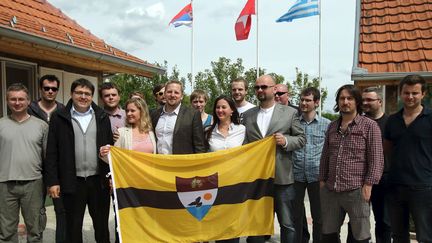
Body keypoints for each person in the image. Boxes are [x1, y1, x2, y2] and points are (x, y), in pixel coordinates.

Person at [45, 78, 113, 243]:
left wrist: (111, 176)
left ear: (92, 96)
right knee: (72, 227)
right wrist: (53, 181)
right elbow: (51, 152)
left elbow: (111, 149)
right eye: (79, 93)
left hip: (98, 181)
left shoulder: (102, 116)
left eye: (87, 94)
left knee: (101, 226)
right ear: (71, 94)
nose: (83, 97)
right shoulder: (59, 117)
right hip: (71, 181)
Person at [243, 74, 306, 243]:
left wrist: (286, 141)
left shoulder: (290, 112)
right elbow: (244, 143)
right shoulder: (248, 115)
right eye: (257, 87)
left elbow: (301, 139)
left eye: (264, 87)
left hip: (282, 178)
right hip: (256, 178)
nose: (260, 90)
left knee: (287, 224)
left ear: (274, 89)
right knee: (256, 223)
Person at [319, 84, 384, 243]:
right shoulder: (332, 126)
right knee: (328, 234)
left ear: (357, 102)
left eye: (350, 98)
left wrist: (369, 184)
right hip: (331, 190)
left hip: (357, 190)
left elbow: (376, 158)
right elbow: (325, 155)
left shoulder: (369, 126)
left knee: (360, 236)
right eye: (342, 98)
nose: (345, 102)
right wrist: (322, 181)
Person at [384, 74, 432, 243]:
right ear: (400, 93)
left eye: (415, 93)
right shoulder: (392, 120)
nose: (410, 96)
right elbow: (387, 150)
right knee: (398, 235)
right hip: (395, 186)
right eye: (406, 92)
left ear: (423, 94)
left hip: (423, 186)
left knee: (425, 235)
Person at [0, 83, 48, 243]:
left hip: (33, 184)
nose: (17, 102)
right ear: (7, 101)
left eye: (21, 99)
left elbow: (48, 157)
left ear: (28, 101)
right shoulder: (1, 125)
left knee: (35, 232)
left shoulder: (41, 126)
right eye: (13, 99)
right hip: (5, 184)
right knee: (6, 233)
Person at [27, 75, 66, 243]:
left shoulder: (64, 111)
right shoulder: (29, 109)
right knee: (36, 211)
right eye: (46, 88)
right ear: (40, 89)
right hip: (36, 167)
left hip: (58, 168)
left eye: (54, 89)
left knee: (61, 210)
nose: (50, 91)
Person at [292, 87, 330, 243]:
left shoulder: (327, 124)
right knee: (296, 216)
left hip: (317, 177)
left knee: (319, 217)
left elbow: (329, 152)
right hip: (295, 175)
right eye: (302, 99)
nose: (303, 103)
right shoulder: (292, 123)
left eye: (308, 100)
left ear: (316, 102)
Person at [205, 95, 245, 243]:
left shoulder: (242, 130)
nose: (220, 110)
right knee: (217, 222)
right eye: (217, 107)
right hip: (214, 183)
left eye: (223, 107)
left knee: (233, 224)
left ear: (232, 110)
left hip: (235, 182)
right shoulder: (208, 131)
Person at [362, 87, 391, 243]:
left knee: (384, 221)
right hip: (359, 178)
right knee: (358, 221)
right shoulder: (357, 123)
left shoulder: (391, 124)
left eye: (370, 100)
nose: (365, 103)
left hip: (383, 180)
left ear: (380, 101)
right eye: (363, 100)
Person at [151, 80, 206, 154]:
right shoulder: (154, 114)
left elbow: (199, 146)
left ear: (182, 96)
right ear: (164, 94)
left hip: (181, 163)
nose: (172, 95)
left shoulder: (192, 115)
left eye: (176, 92)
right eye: (169, 92)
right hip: (158, 163)